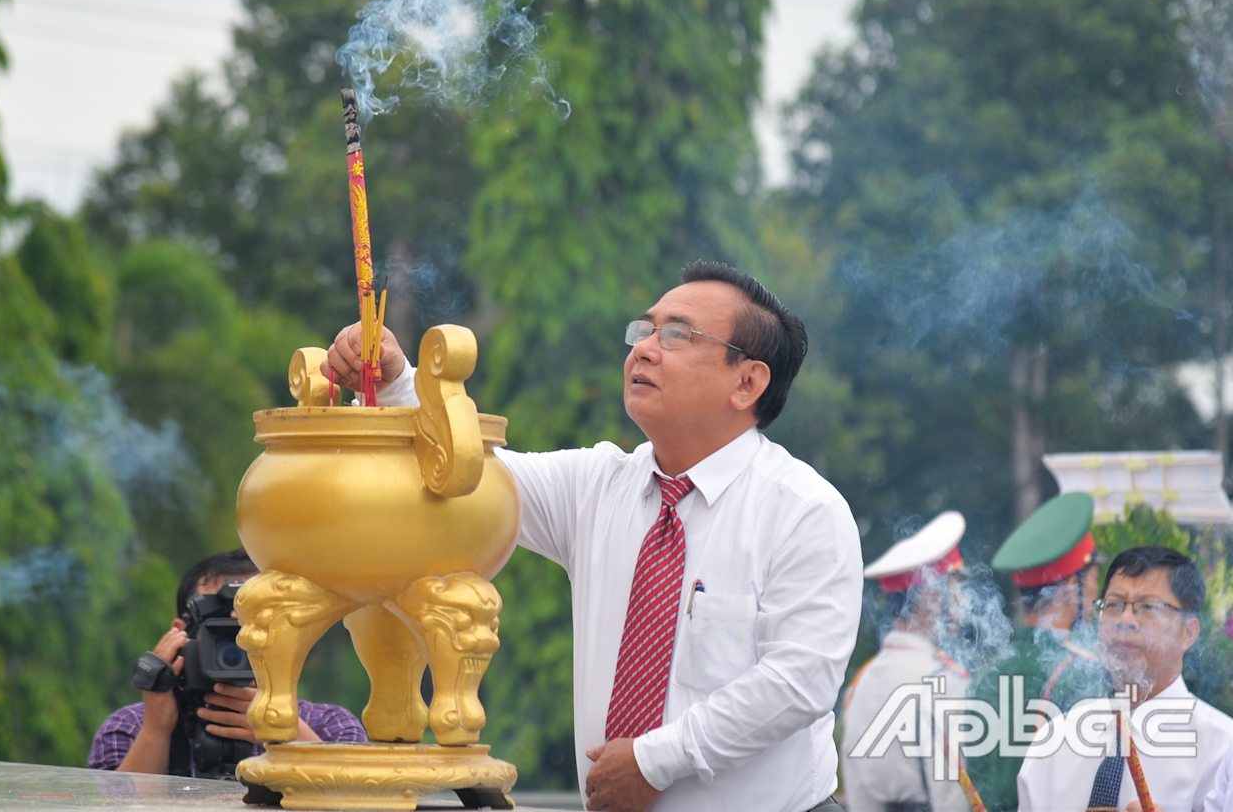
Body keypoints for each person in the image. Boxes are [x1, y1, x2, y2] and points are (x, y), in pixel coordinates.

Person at [326, 261, 863, 812]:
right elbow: (473, 475)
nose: (645, 350)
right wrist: (396, 382)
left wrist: (656, 761)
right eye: (644, 330)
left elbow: (800, 682)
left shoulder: (804, 511)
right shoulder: (598, 486)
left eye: (677, 335)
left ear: (748, 382)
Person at [88, 549, 366, 775]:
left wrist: (287, 734)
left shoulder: (330, 726)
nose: (242, 642)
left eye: (257, 625)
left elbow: (362, 800)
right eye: (222, 630)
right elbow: (119, 805)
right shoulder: (130, 726)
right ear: (180, 634)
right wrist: (157, 729)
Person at [1017, 546, 1233, 811]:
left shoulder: (1222, 749)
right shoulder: (1056, 738)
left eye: (1148, 607)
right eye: (1114, 605)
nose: (1125, 619)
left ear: (1188, 632)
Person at [965, 492, 1106, 811]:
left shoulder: (984, 674)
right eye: (1094, 582)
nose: (1096, 596)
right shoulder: (1083, 674)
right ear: (1072, 588)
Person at [841, 510, 973, 812]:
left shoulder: (861, 683)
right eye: (954, 585)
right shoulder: (945, 682)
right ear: (930, 597)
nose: (962, 599)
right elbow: (951, 798)